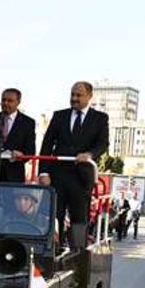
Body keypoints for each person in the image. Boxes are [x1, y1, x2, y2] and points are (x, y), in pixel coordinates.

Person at [38, 81, 109, 250]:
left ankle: (78, 255)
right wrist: (43, 172)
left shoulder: (99, 119)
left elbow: (102, 144)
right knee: (55, 215)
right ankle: (53, 251)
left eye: (79, 95)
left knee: (79, 218)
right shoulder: (59, 116)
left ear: (89, 96)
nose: (74, 99)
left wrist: (89, 155)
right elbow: (46, 146)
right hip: (58, 175)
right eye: (72, 95)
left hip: (81, 177)